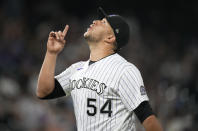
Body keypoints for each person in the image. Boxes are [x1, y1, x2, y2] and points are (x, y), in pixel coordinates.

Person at [37, 7, 163, 131]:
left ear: (110, 38)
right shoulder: (76, 69)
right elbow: (44, 91)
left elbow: (149, 120)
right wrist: (51, 53)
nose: (95, 22)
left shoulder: (125, 70)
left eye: (103, 22)